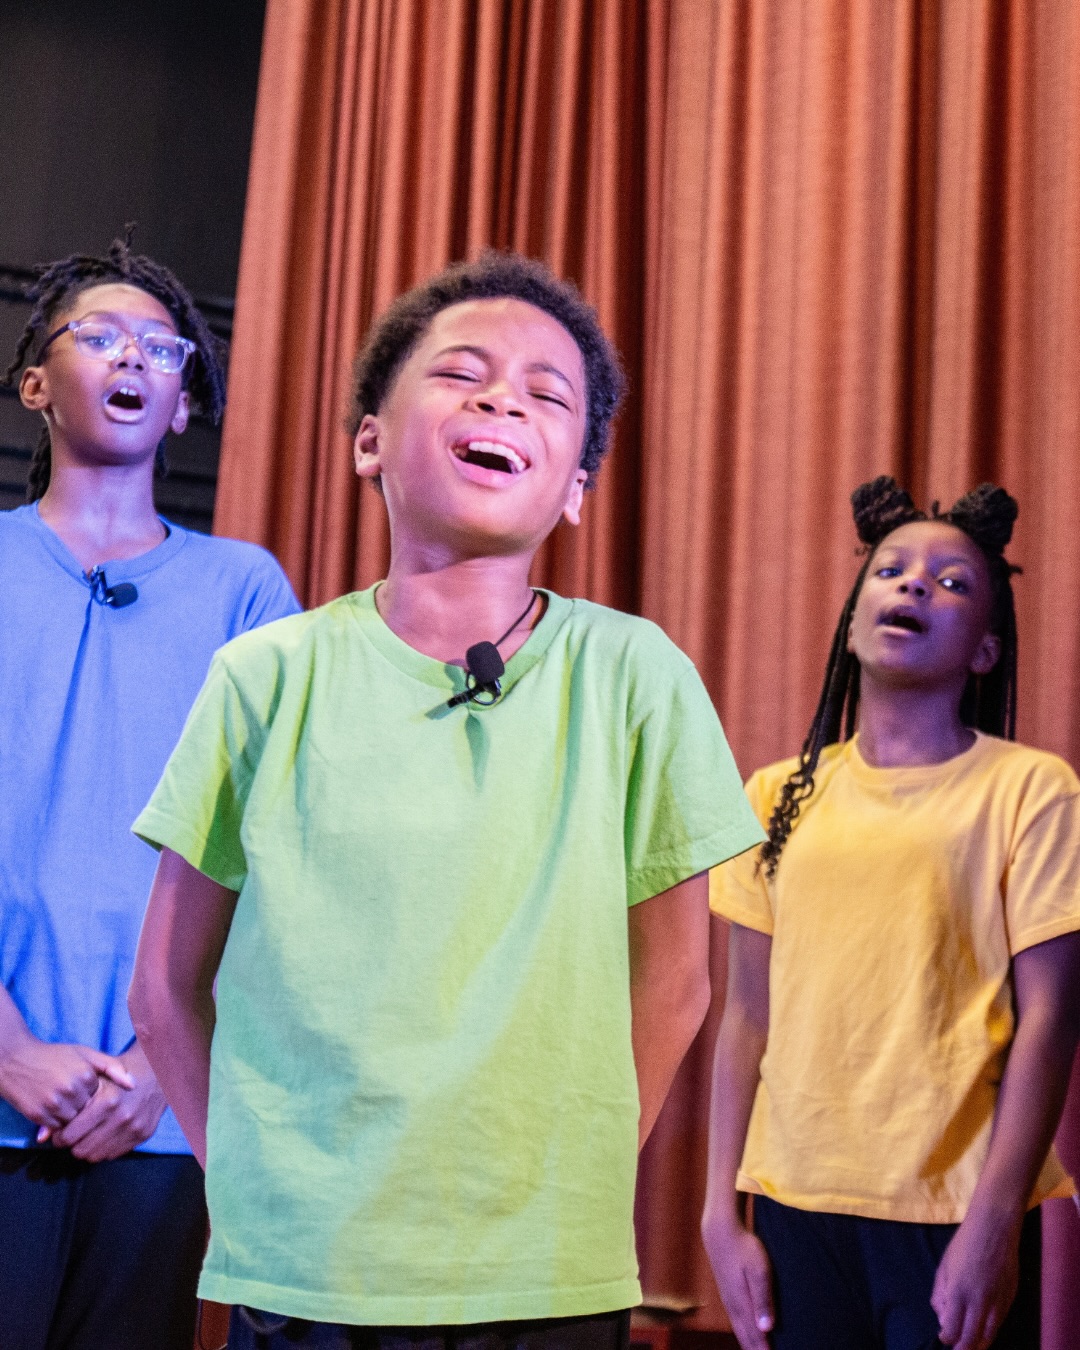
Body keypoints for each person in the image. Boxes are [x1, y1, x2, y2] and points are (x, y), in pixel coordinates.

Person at [127, 251, 765, 1349]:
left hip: (546, 1272)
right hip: (309, 1271)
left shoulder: (635, 673)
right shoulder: (266, 674)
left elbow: (677, 980)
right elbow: (166, 988)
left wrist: (579, 1166)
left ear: (574, 487)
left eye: (546, 393)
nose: (501, 398)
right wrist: (261, 1179)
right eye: (461, 373)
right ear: (370, 438)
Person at [0, 233, 300, 1350]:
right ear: (37, 384)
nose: (135, 357)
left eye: (163, 346)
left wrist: (158, 1067)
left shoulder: (246, 591)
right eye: (101, 335)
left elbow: (273, 855)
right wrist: (9, 1051)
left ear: (181, 404)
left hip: (156, 1119)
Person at [702, 476, 1080, 1350]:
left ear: (985, 650)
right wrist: (721, 1213)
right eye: (891, 570)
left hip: (952, 1211)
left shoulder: (1031, 790)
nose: (912, 585)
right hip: (796, 1207)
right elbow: (744, 1020)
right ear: (853, 613)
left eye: (951, 582)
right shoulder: (774, 796)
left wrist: (992, 1226)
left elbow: (1053, 1021)